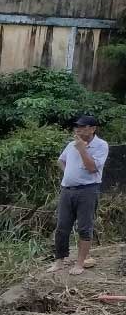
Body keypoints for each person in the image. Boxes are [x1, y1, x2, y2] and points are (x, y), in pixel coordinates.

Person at [50, 114, 109, 276]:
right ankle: (59, 261)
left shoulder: (101, 146)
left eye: (82, 127)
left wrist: (82, 149)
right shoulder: (71, 145)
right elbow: (60, 161)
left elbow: (92, 168)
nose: (78, 130)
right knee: (62, 227)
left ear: (93, 129)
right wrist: (68, 173)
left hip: (88, 190)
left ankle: (79, 263)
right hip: (67, 190)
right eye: (77, 127)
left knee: (84, 227)